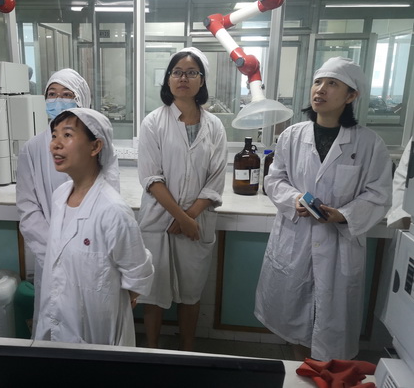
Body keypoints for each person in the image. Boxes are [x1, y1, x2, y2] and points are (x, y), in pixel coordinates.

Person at [254, 57, 392, 361]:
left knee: (331, 324)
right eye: (318, 82)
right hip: (296, 239)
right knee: (294, 318)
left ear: (351, 96)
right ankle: (301, 367)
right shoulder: (292, 136)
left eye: (332, 84)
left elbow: (379, 194)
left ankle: (325, 374)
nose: (321, 89)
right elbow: (275, 179)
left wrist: (344, 214)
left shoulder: (369, 144)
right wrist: (294, 199)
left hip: (338, 245)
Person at [33, 108, 154, 346]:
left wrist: (106, 301)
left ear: (95, 146)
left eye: (67, 135)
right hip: (56, 321)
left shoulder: (112, 210)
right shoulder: (60, 196)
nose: (55, 144)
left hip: (97, 331)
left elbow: (138, 275)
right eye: (54, 135)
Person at [136, 47, 227, 351]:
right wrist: (183, 218)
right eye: (176, 72)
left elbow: (215, 179)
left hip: (196, 223)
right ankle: (151, 349)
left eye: (191, 73)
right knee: (153, 292)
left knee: (191, 292)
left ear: (202, 80)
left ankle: (188, 350)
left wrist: (190, 218)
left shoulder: (215, 126)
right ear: (168, 79)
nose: (183, 78)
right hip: (160, 221)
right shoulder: (153, 122)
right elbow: (151, 178)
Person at [16, 68, 119, 335]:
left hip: (90, 254)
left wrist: (79, 250)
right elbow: (28, 209)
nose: (57, 100)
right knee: (54, 325)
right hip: (49, 254)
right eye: (51, 94)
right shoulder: (32, 148)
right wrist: (55, 251)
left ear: (81, 100)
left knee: (90, 328)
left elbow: (108, 200)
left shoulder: (98, 144)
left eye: (66, 95)